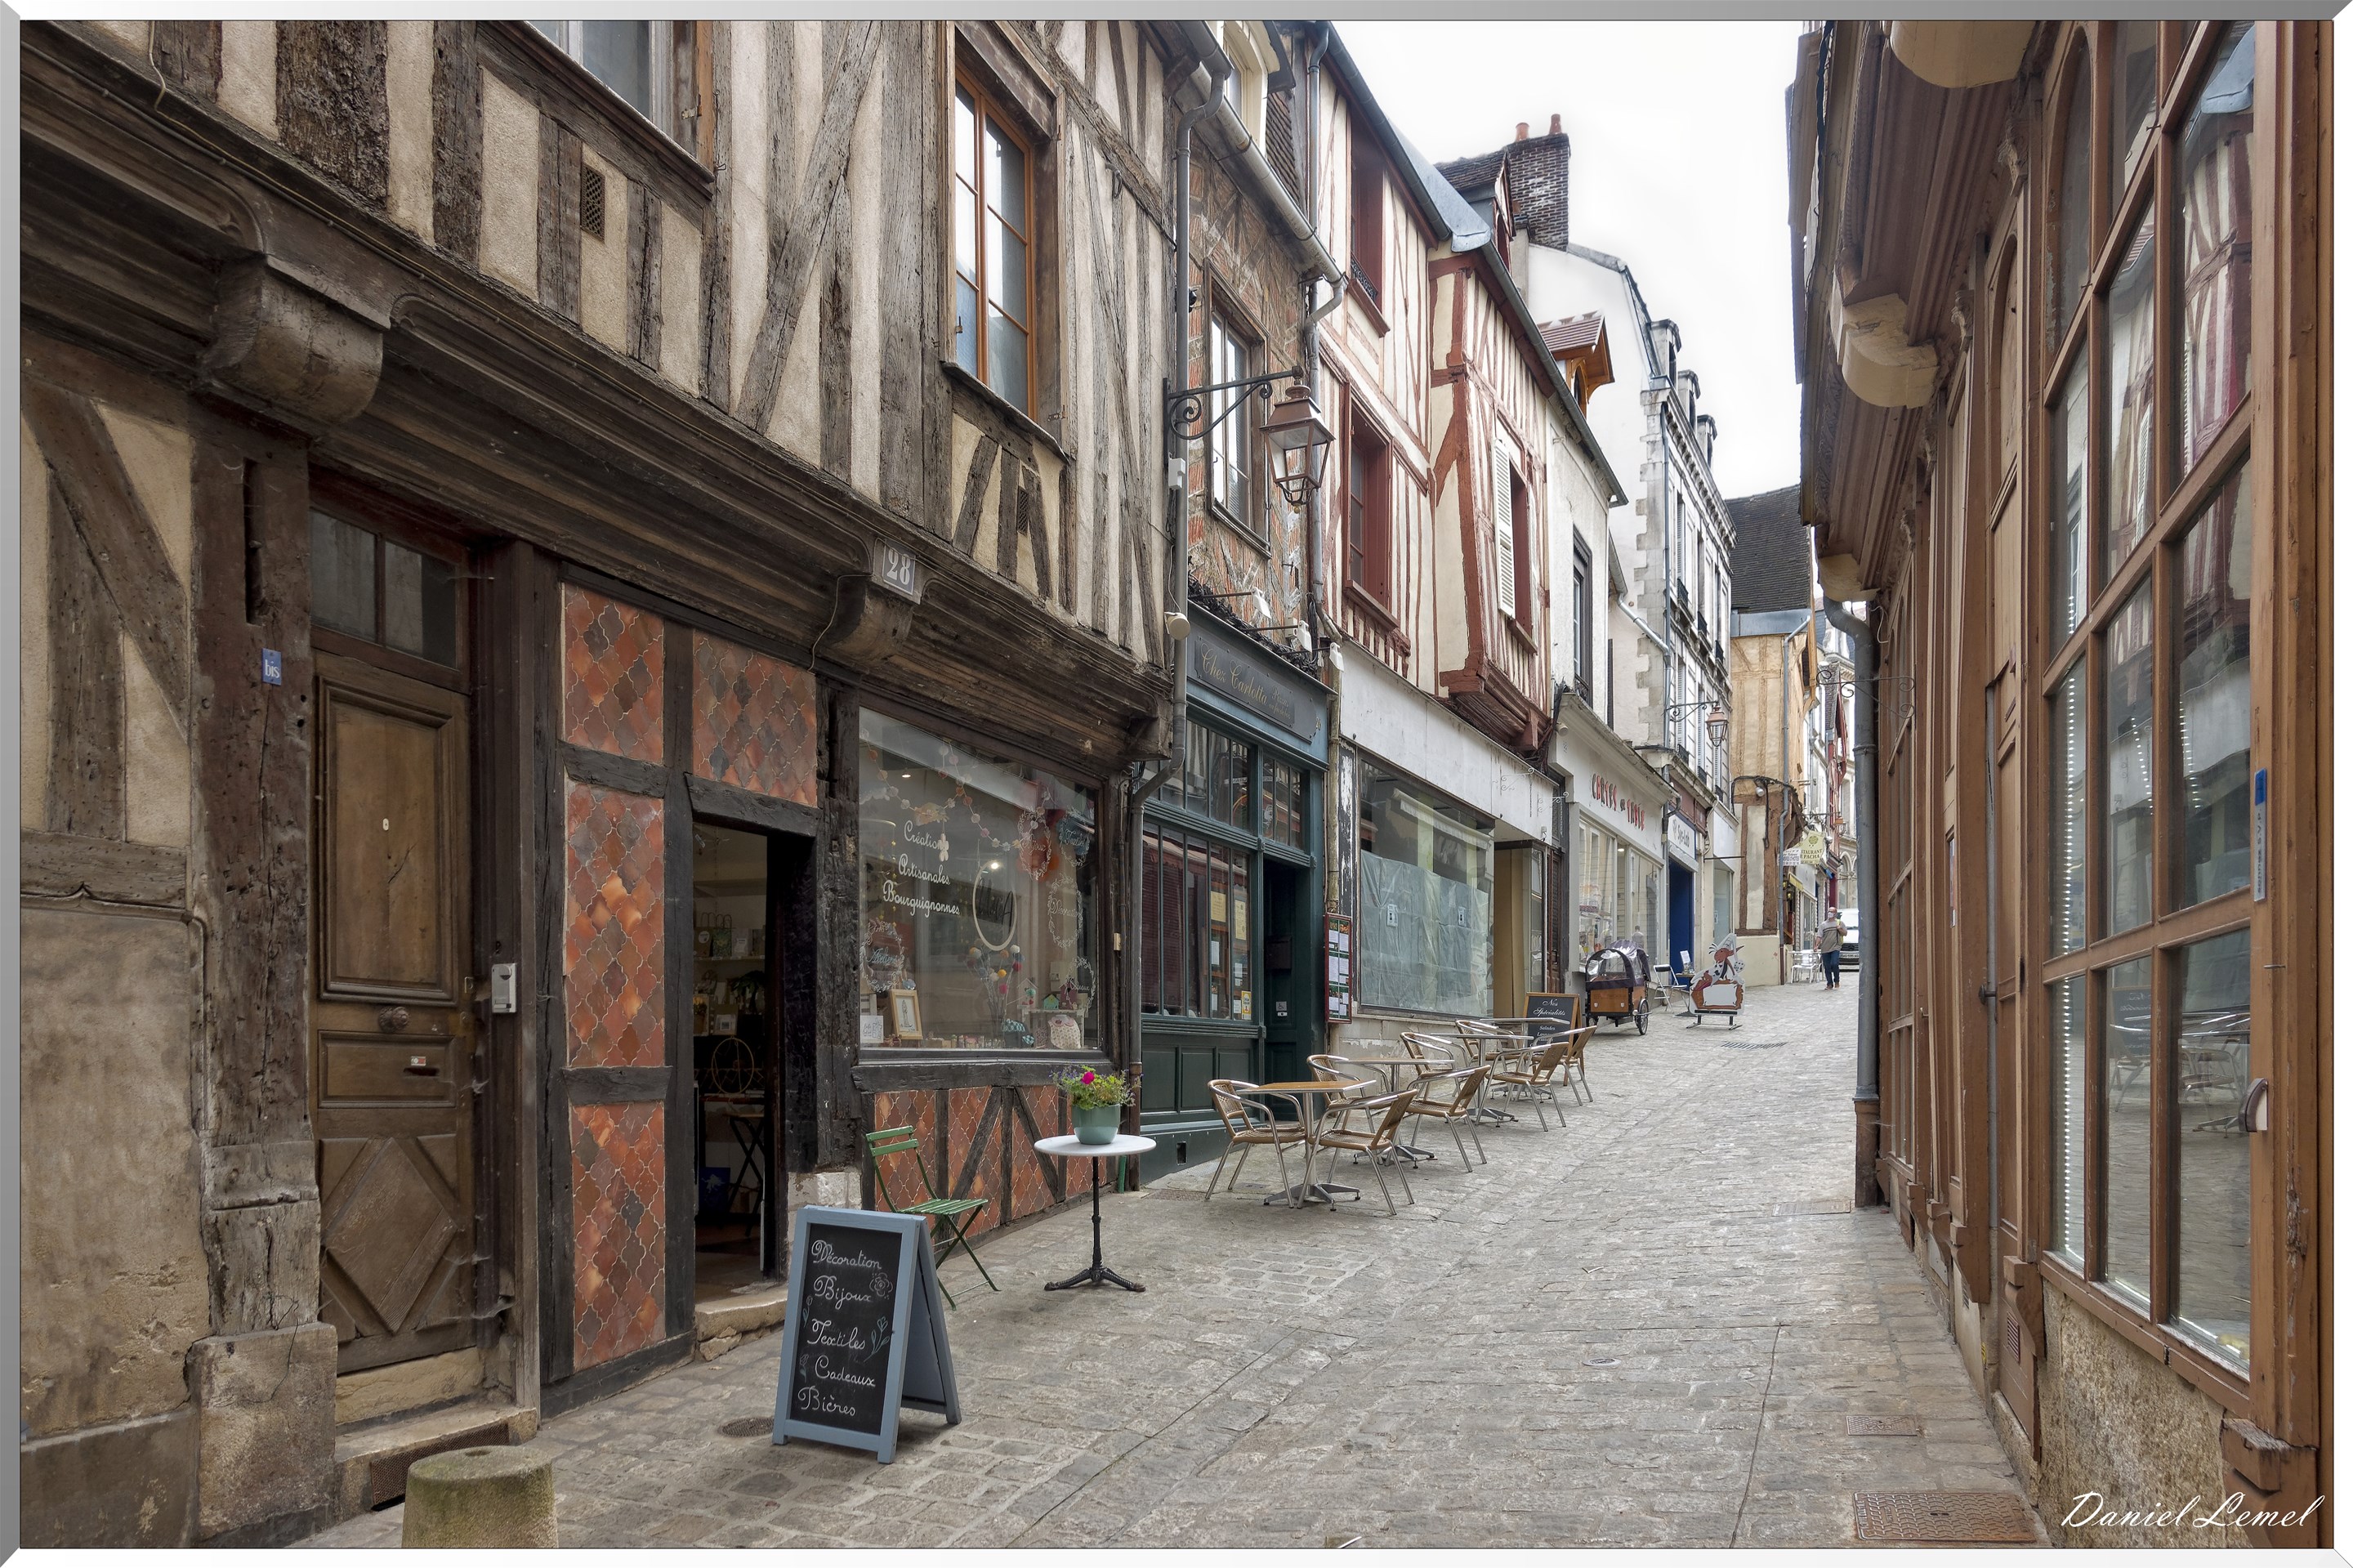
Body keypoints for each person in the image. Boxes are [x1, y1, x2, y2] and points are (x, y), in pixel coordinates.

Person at [1817, 913, 1846, 989]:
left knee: (1834, 963)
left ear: (1835, 914)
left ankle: (1837, 981)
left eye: (1831, 912)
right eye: (1829, 911)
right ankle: (1829, 984)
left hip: (1835, 947)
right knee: (1827, 967)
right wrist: (1816, 945)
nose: (1829, 913)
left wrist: (1840, 929)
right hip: (1825, 948)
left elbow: (1845, 933)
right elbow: (1819, 936)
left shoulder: (1840, 923)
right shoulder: (1823, 925)